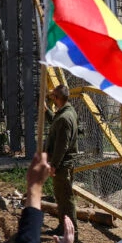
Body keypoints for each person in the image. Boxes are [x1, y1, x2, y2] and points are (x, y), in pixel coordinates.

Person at [44, 83, 79, 229]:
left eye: (53, 96)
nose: (51, 98)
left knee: (66, 200)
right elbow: (55, 123)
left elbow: (61, 146)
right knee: (61, 198)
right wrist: (46, 111)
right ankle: (62, 227)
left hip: (62, 166)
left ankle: (71, 232)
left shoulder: (65, 118)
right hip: (63, 165)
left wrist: (53, 165)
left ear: (58, 98)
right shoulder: (67, 111)